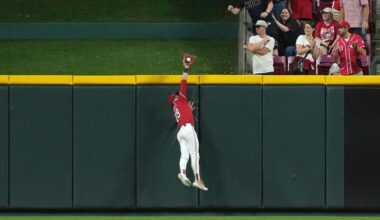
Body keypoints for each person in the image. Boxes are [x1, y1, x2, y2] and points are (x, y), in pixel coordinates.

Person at [168, 57, 208, 191]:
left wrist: (189, 111)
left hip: (180, 132)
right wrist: (186, 68)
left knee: (184, 155)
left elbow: (184, 113)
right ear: (177, 97)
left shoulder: (176, 107)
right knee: (195, 155)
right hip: (189, 130)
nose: (178, 94)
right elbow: (183, 82)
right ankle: (197, 179)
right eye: (177, 94)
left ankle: (183, 173)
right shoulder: (181, 99)